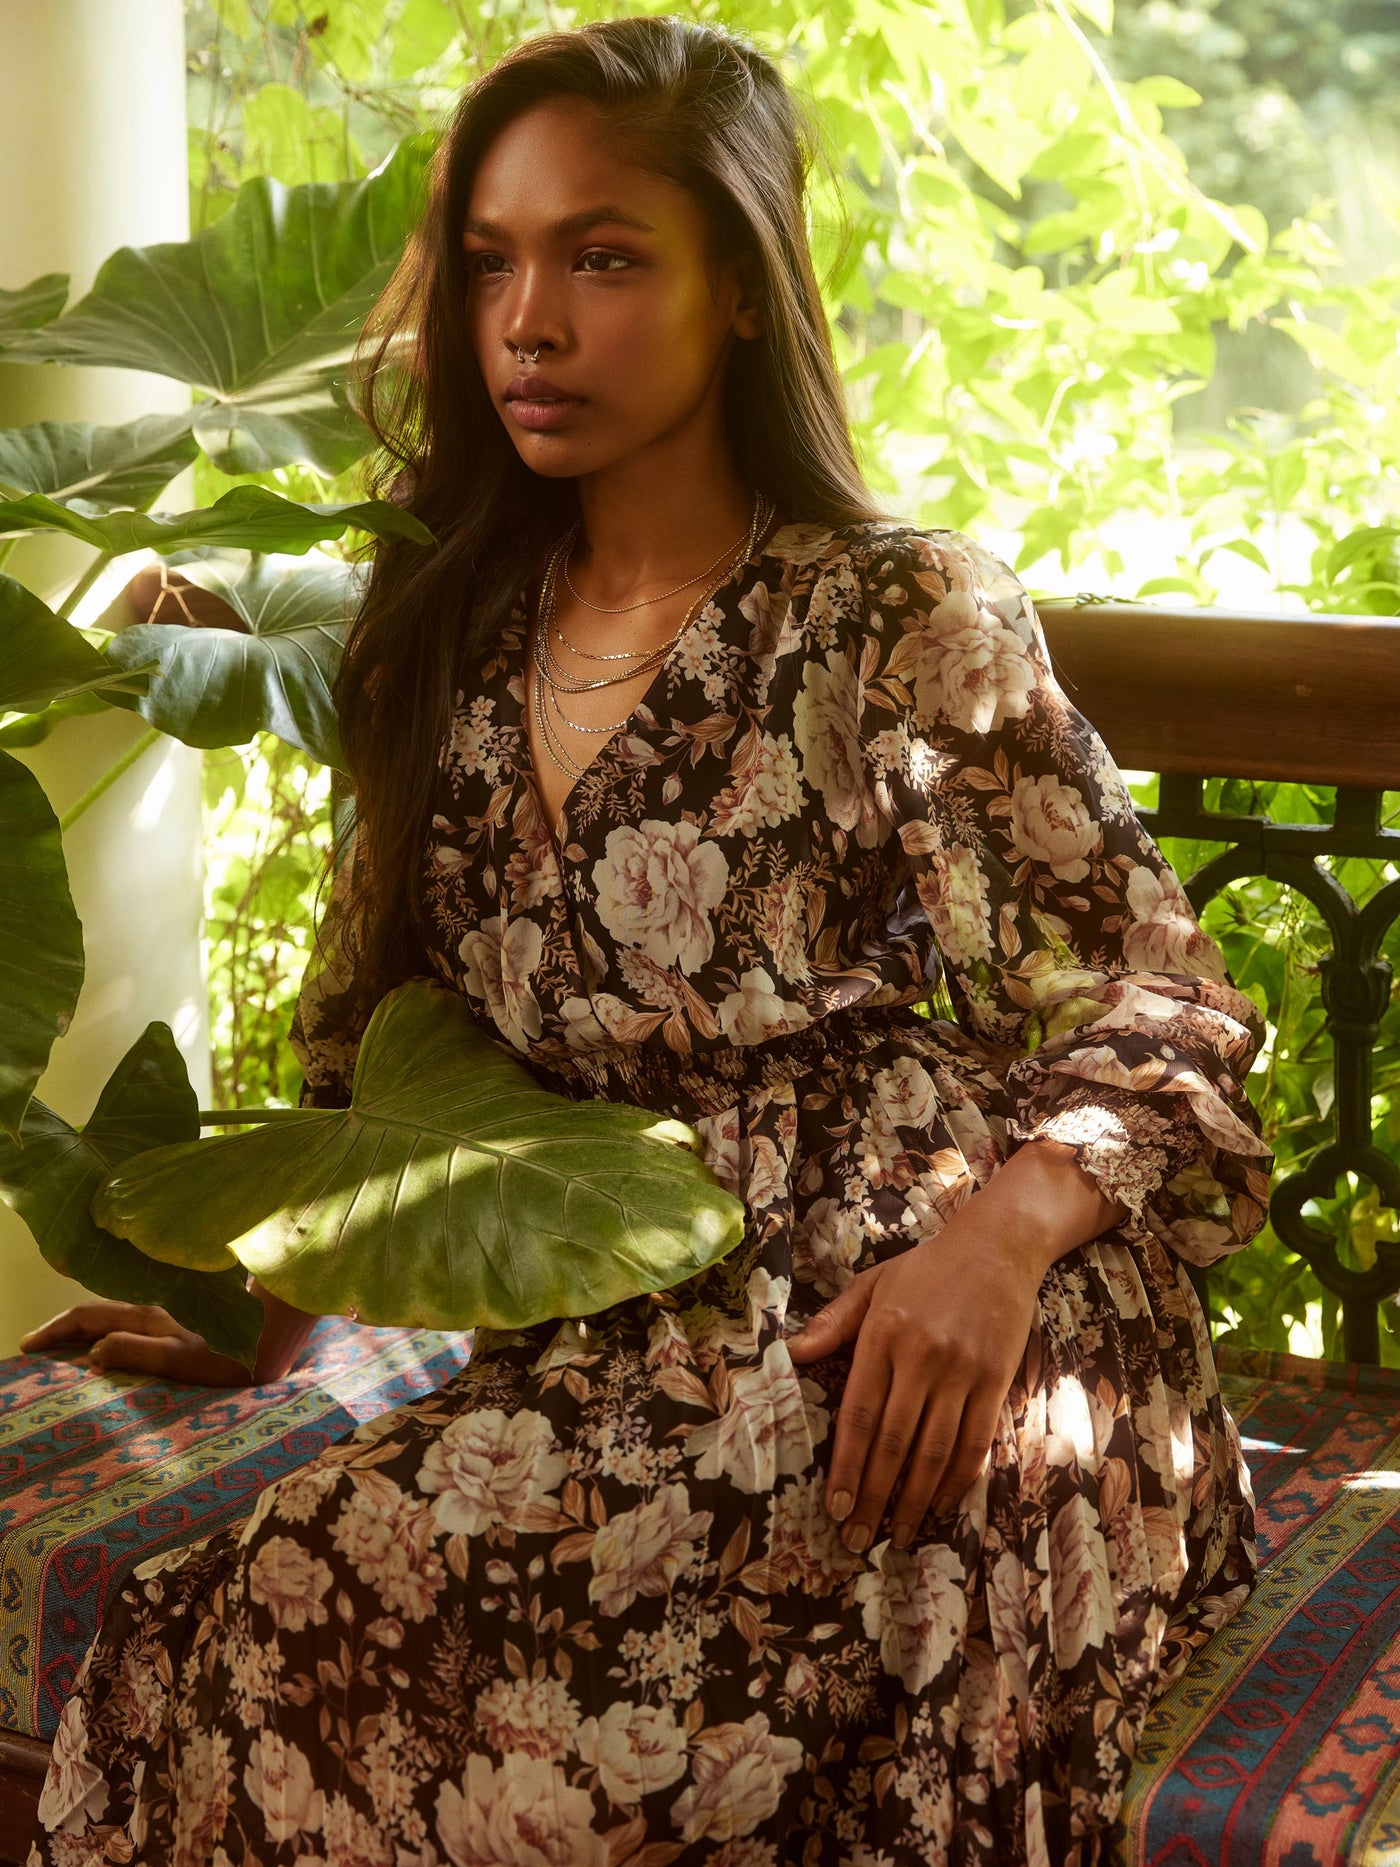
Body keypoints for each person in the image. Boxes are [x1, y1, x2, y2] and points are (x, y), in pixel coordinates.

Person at [23, 16, 1273, 1864]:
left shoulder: (893, 612)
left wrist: (998, 1247)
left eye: (604, 259)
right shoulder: (437, 626)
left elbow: (1164, 1002)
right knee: (232, 1623)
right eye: (492, 261)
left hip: (903, 1317)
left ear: (744, 290)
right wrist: (263, 1304)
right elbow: (387, 1027)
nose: (529, 320)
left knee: (542, 1656)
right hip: (609, 1318)